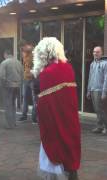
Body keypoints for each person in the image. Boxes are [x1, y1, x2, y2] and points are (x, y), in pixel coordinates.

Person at [32, 37, 81, 180]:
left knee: (54, 149)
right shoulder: (68, 67)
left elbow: (44, 104)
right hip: (69, 117)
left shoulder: (47, 72)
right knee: (69, 146)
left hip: (53, 121)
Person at [87, 46, 107, 135]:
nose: (95, 53)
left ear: (101, 53)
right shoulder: (92, 64)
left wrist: (104, 91)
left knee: (99, 109)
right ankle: (99, 126)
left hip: (99, 90)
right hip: (93, 89)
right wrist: (88, 90)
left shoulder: (106, 64)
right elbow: (90, 78)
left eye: (97, 52)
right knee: (96, 109)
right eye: (94, 52)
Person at [0, 49, 23, 129]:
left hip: (7, 86)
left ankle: (10, 124)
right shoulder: (18, 62)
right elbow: (22, 74)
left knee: (8, 105)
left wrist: (2, 85)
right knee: (13, 105)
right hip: (17, 86)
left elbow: (1, 76)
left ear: (6, 54)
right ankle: (14, 122)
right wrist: (19, 83)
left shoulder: (4, 63)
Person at [18, 42, 37, 124]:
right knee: (25, 97)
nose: (21, 50)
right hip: (26, 78)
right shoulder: (24, 53)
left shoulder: (33, 52)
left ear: (25, 45)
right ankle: (24, 116)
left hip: (33, 78)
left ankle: (34, 117)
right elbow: (25, 65)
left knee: (34, 99)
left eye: (22, 48)